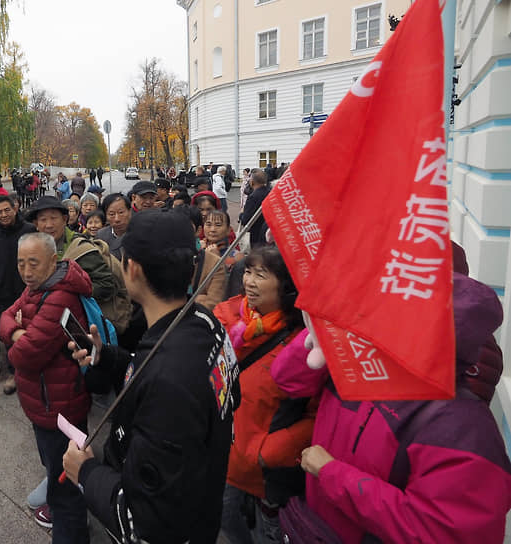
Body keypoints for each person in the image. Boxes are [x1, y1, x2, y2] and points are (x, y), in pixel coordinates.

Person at [272, 272, 511, 543]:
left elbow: (443, 533)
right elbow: (287, 379)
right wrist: (321, 332)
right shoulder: (360, 363)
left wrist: (332, 474)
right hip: (314, 526)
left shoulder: (464, 429)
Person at [62, 210, 237, 543]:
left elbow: (146, 522)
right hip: (203, 499)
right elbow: (154, 367)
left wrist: (86, 472)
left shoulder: (170, 383)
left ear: (133, 269)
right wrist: (108, 357)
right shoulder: (204, 323)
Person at [210, 245, 311, 543]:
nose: (250, 281)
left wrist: (268, 451)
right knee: (225, 517)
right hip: (226, 452)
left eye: (261, 274)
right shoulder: (228, 315)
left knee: (272, 532)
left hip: (267, 466)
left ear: (286, 284)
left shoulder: (304, 341)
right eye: (249, 272)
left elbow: (315, 413)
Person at [0, 232, 93, 543]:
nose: (26, 272)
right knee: (56, 469)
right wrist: (18, 332)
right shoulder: (39, 287)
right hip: (45, 403)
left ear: (54, 261)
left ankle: (71, 530)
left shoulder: (60, 296)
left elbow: (24, 356)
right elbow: (3, 316)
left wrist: (15, 337)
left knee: (66, 486)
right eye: (21, 263)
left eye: (33, 263)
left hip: (60, 408)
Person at [0, 194, 37, 393]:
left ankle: (33, 371)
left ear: (15, 208)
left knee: (32, 332)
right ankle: (13, 372)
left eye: (7, 210)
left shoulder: (29, 230)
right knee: (9, 334)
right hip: (2, 293)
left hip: (27, 290)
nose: (3, 215)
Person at [176, 205, 227, 312]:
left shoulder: (214, 262)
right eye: (175, 227)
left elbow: (213, 303)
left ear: (198, 230)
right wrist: (199, 298)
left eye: (186, 227)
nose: (213, 229)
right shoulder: (163, 256)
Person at [240, 169, 271, 248]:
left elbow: (246, 219)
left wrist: (241, 214)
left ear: (252, 181)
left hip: (256, 233)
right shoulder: (270, 192)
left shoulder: (253, 197)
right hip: (268, 230)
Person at [94, 193, 131, 260]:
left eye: (121, 212)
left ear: (130, 212)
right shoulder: (101, 235)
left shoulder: (139, 233)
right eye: (112, 214)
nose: (117, 219)